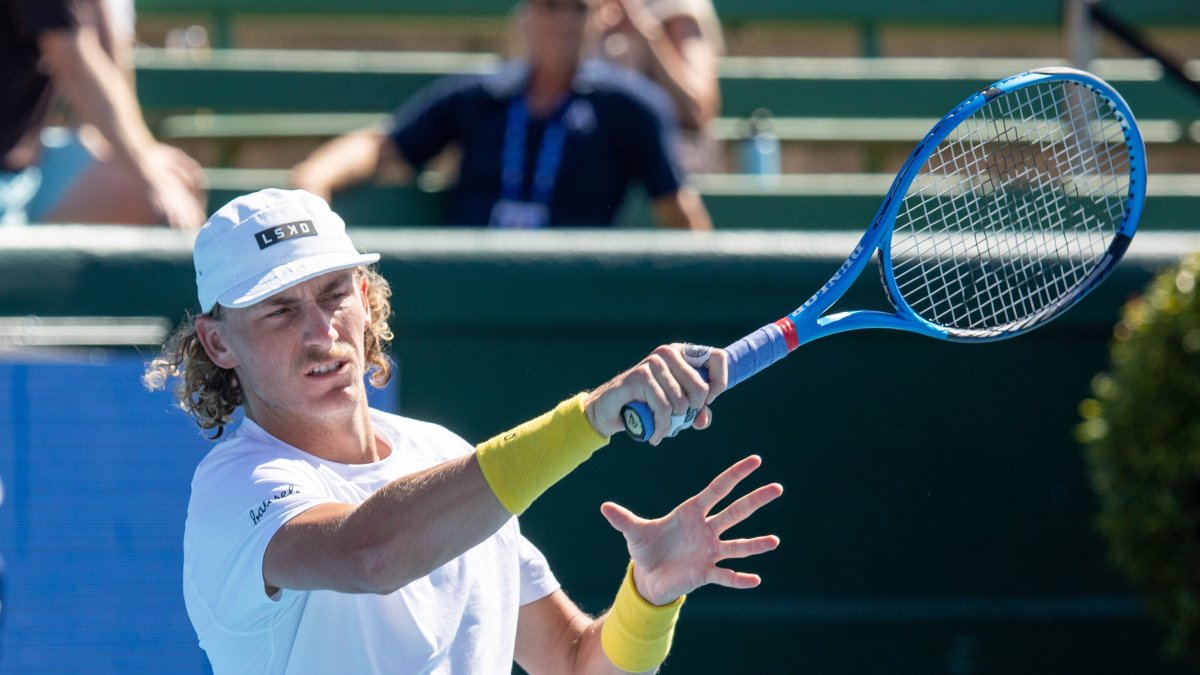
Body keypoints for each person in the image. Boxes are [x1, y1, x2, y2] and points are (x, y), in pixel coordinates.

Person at [144, 188, 779, 672]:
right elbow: (371, 554)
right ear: (217, 342)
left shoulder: (445, 458)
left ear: (365, 297)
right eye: (281, 310)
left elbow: (574, 661)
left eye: (335, 293)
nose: (321, 332)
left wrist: (649, 596)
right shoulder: (234, 491)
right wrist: (589, 418)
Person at [291, 0, 712, 230]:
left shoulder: (630, 107)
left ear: (602, 15)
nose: (564, 21)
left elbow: (679, 212)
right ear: (527, 13)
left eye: (578, 8)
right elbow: (383, 146)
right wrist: (313, 182)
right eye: (551, 5)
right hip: (468, 281)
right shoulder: (479, 93)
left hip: (571, 290)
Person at [0, 0, 206, 228]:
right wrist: (147, 173)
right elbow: (72, 61)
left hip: (28, 165)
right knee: (157, 195)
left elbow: (100, 53)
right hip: (8, 179)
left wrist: (147, 160)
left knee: (176, 178)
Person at [594, 0, 725, 173]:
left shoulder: (680, 7)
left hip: (673, 168)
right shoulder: (570, 10)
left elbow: (695, 111)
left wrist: (646, 33)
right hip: (596, 161)